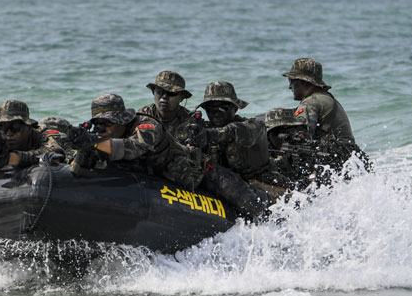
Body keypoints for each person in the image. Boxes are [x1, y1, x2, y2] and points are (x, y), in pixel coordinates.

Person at [71, 94, 269, 221]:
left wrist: (94, 142)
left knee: (251, 205)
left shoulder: (147, 125)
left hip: (194, 173)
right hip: (153, 182)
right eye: (98, 125)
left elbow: (131, 148)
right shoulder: (103, 140)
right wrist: (83, 145)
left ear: (121, 120)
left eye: (107, 124)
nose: (102, 130)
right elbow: (77, 170)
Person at [138, 70, 198, 145]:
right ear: (153, 92)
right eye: (160, 91)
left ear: (181, 98)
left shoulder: (190, 122)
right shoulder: (142, 117)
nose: (164, 96)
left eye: (171, 93)